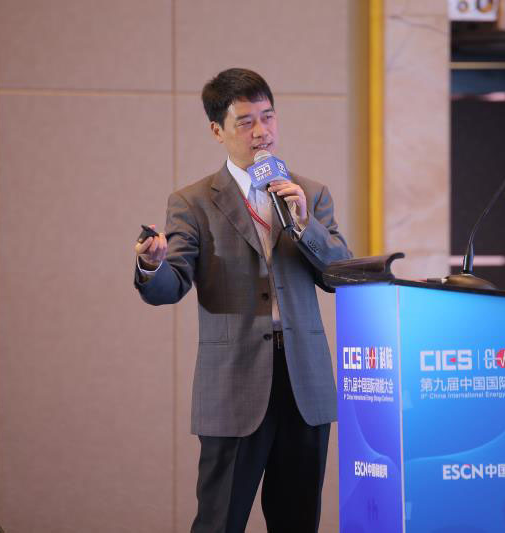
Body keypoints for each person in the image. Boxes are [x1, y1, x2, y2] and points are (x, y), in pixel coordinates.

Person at [133, 68, 352, 532]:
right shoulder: (193, 202)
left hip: (304, 382)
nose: (261, 132)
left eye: (268, 117)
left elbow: (339, 277)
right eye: (246, 122)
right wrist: (152, 264)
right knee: (220, 522)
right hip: (233, 383)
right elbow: (172, 284)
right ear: (218, 131)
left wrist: (304, 224)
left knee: (297, 522)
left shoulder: (310, 194)